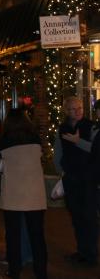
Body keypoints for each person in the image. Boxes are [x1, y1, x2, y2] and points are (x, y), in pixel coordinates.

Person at [0, 108, 47, 279]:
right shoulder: (35, 139)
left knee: (13, 234)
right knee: (37, 234)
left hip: (13, 192)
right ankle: (41, 272)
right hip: (34, 192)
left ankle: (15, 269)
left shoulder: (4, 141)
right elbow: (40, 156)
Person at [54, 96, 98, 267]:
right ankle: (82, 251)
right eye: (73, 109)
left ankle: (90, 254)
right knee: (76, 217)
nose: (78, 111)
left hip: (88, 180)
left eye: (79, 108)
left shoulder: (91, 127)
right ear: (66, 111)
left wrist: (77, 141)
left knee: (89, 218)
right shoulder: (63, 129)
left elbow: (96, 150)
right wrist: (61, 171)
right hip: (71, 178)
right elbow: (58, 152)